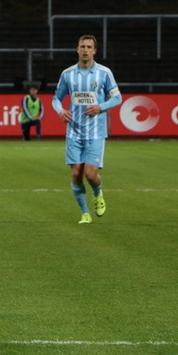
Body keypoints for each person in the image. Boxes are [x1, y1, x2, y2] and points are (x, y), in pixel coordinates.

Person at [52, 35, 122, 224]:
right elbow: (56, 99)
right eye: (82, 46)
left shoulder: (104, 73)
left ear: (94, 51)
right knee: (76, 173)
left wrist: (101, 107)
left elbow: (117, 98)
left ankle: (97, 193)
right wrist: (61, 110)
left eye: (89, 47)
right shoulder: (68, 74)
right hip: (74, 131)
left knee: (90, 174)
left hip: (96, 132)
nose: (85, 50)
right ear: (77, 49)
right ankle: (85, 213)